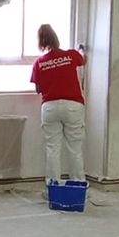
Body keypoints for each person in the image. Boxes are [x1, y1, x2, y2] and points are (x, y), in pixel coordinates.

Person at [31, 25, 86, 183]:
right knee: (74, 148)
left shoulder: (39, 63)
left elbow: (38, 89)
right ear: (56, 38)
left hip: (50, 107)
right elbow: (83, 60)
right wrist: (81, 50)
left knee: (52, 148)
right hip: (73, 106)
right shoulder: (71, 55)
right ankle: (78, 186)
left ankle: (52, 187)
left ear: (41, 42)